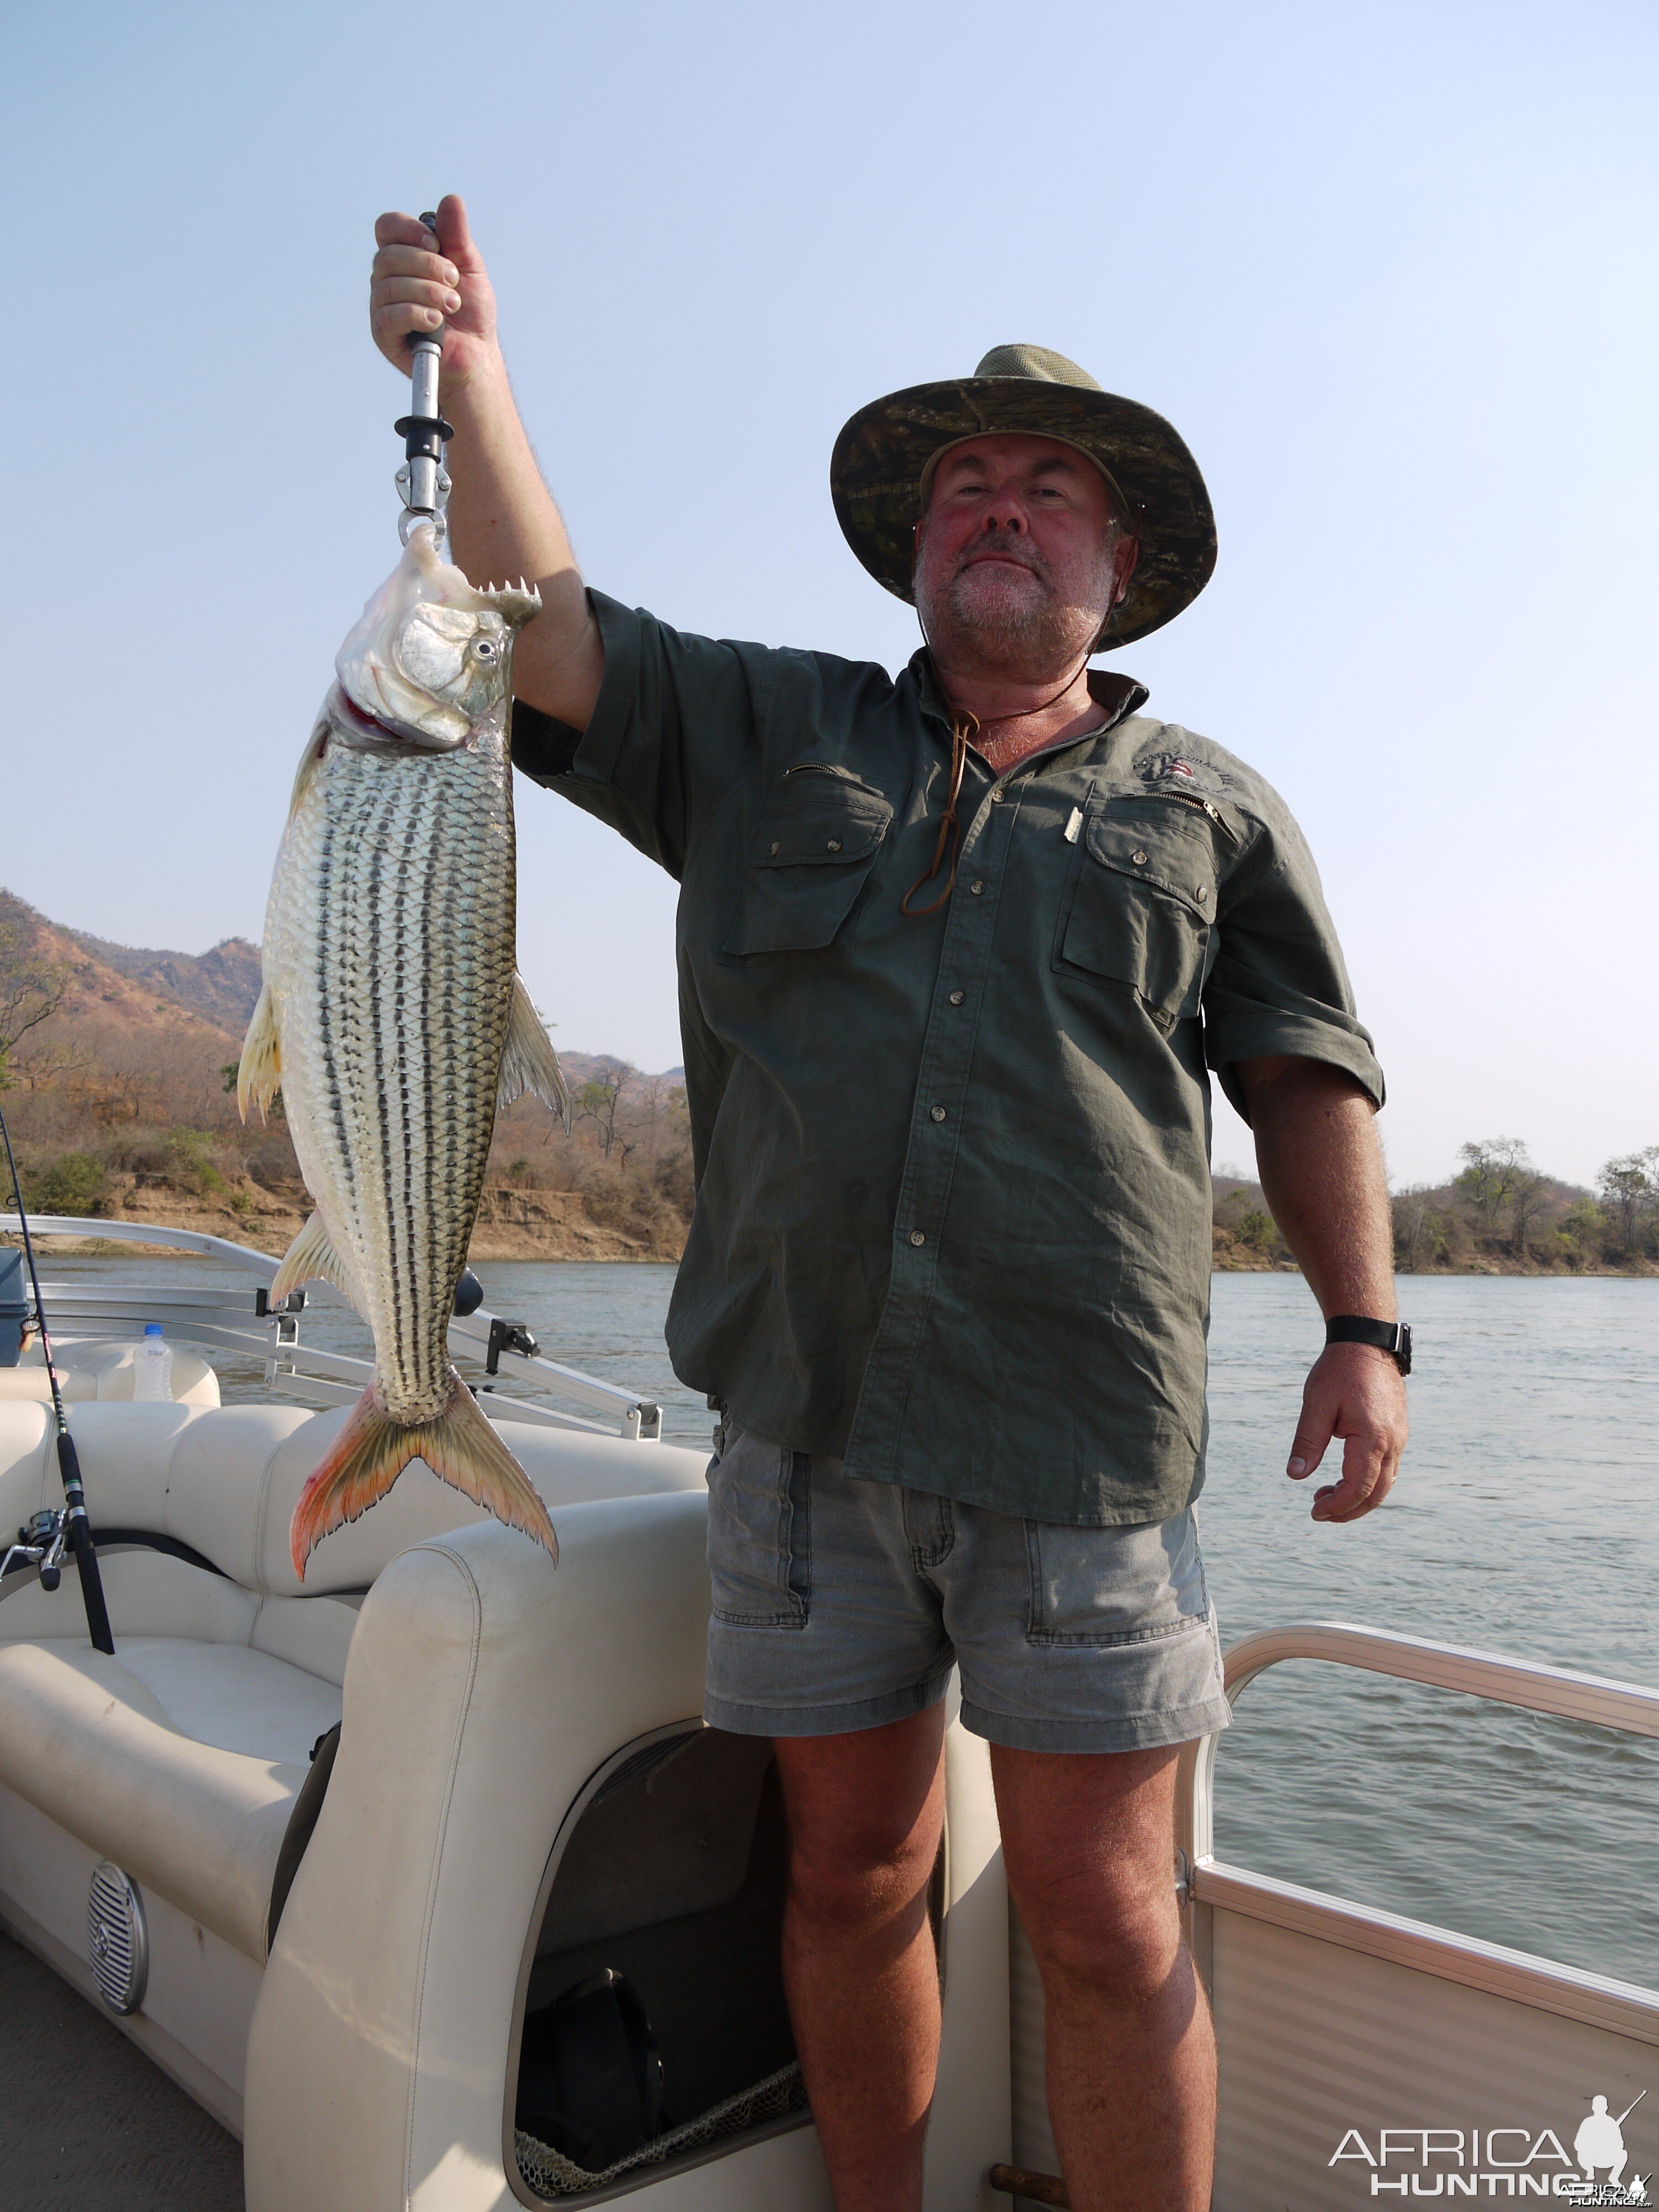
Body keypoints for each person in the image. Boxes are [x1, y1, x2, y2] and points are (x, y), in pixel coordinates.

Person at [369, 194, 1410, 2212]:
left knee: (1108, 1928)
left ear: (1121, 565)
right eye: (964, 489)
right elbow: (532, 618)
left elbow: (1308, 1078)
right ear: (920, 551)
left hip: (1082, 1445)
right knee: (849, 1877)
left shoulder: (1213, 806)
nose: (1000, 512)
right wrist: (471, 370)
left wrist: (1365, 1330)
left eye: (1048, 490)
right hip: (801, 1424)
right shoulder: (766, 732)